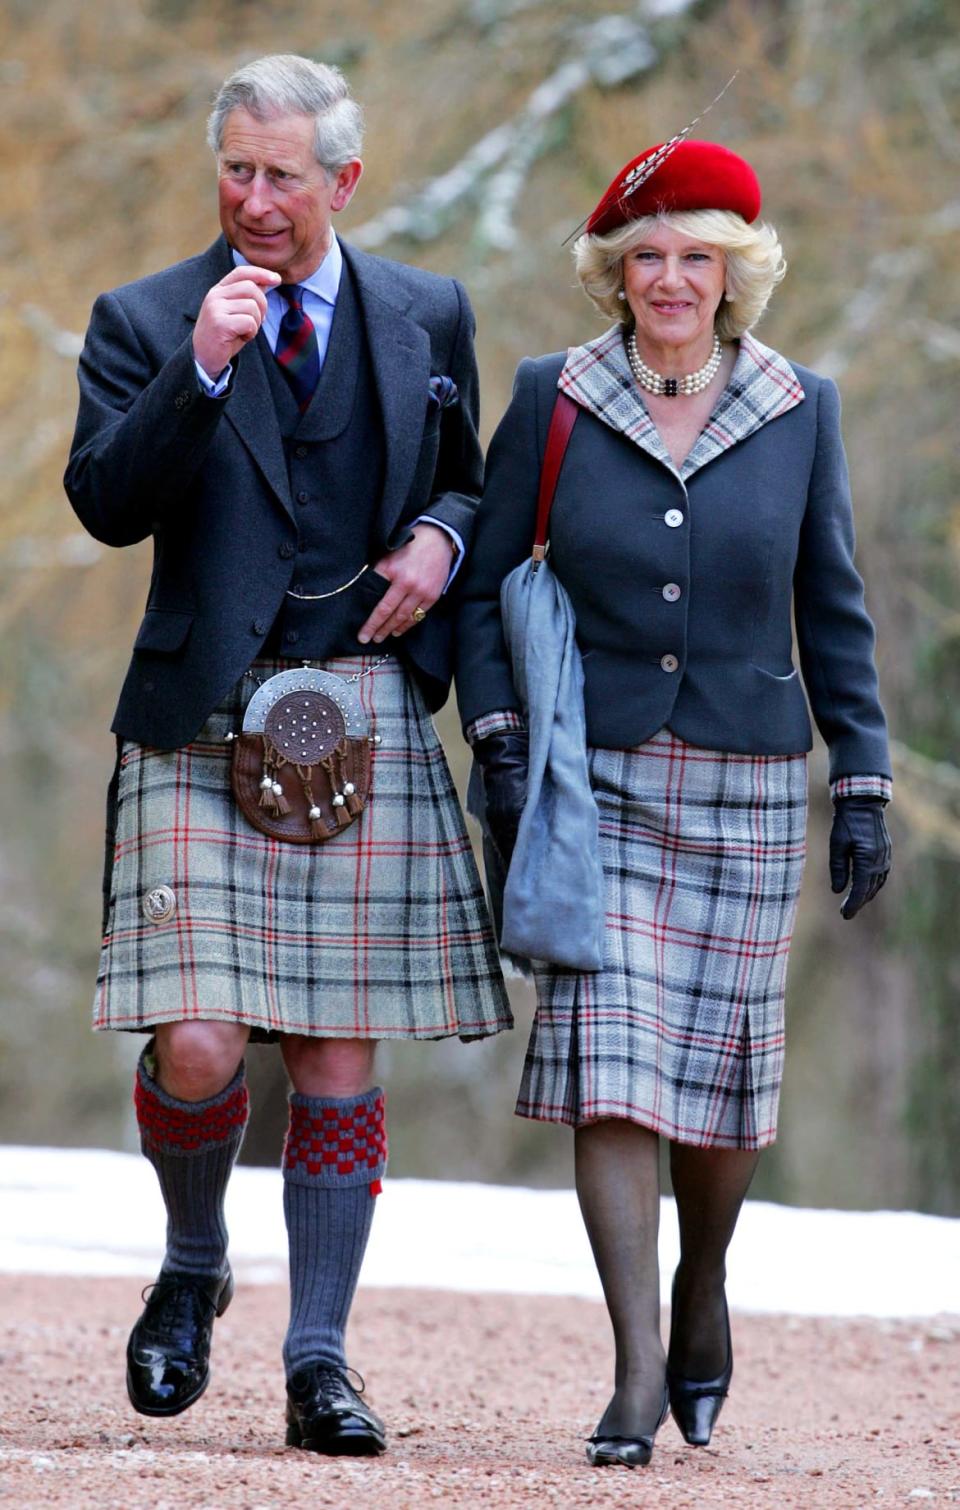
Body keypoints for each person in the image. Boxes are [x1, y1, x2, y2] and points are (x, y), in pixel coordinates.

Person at [65, 53, 511, 1456]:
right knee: (198, 1043)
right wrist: (199, 365)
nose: (256, 200)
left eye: (284, 176)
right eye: (236, 171)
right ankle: (193, 1259)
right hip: (204, 708)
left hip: (363, 703)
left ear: (345, 181)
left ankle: (320, 1361)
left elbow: (464, 474)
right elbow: (104, 503)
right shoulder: (146, 319)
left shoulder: (427, 311)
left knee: (332, 1052)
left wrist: (445, 534)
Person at [456, 138, 892, 1468]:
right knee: (612, 1075)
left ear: (734, 270)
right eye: (646, 256)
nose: (670, 278)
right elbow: (482, 587)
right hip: (600, 779)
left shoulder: (800, 406)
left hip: (751, 781)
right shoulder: (556, 398)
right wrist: (501, 733)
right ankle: (638, 1369)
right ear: (613, 273)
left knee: (723, 1098)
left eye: (695, 255)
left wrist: (860, 774)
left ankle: (705, 1286)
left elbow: (834, 603)